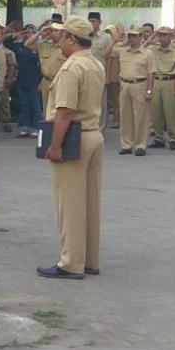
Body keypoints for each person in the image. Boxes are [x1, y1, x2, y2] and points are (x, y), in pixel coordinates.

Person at [38, 18, 106, 280]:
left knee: (69, 204)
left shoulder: (71, 67)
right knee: (90, 202)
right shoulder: (95, 63)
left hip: (73, 138)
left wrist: (54, 147)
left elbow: (63, 112)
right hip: (93, 134)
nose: (58, 40)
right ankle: (89, 259)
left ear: (71, 38)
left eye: (62, 36)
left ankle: (70, 262)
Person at [106, 25, 153, 156]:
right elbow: (106, 54)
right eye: (130, 36)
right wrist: (115, 41)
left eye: (134, 36)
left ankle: (140, 145)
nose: (131, 39)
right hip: (125, 84)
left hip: (140, 84)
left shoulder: (147, 53)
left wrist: (149, 91)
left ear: (141, 37)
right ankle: (126, 144)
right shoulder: (122, 50)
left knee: (141, 117)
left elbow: (150, 74)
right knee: (125, 116)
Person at [4, 24, 41, 137]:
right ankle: (26, 127)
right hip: (22, 79)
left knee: (34, 104)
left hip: (34, 79)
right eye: (27, 32)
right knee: (24, 104)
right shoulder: (20, 46)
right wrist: (19, 34)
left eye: (31, 32)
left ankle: (36, 127)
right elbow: (6, 42)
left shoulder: (38, 47)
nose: (29, 34)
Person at [147, 26, 175, 150]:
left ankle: (174, 138)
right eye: (160, 35)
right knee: (156, 111)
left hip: (170, 81)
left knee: (171, 111)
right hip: (156, 80)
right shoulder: (153, 49)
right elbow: (142, 46)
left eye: (165, 35)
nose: (162, 37)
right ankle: (159, 137)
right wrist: (152, 37)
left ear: (171, 36)